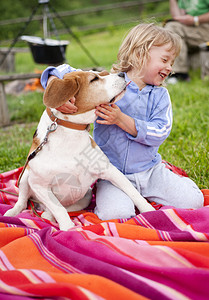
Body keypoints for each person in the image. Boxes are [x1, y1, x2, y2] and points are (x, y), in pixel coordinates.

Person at [41, 23, 204, 221]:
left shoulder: (161, 96)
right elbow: (65, 70)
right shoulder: (107, 84)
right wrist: (52, 79)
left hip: (150, 171)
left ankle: (168, 181)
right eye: (164, 60)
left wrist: (122, 120)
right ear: (139, 54)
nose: (170, 67)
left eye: (172, 62)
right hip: (112, 175)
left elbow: (161, 131)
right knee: (116, 215)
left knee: (194, 202)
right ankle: (125, 198)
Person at [165, 0, 209, 84]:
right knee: (171, 28)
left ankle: (180, 74)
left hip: (205, 26)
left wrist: (195, 20)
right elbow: (178, 18)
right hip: (193, 28)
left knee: (173, 28)